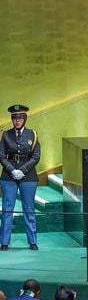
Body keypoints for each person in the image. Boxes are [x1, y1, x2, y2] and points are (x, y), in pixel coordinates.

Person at [0, 104, 41, 250]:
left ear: (25, 119)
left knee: (28, 208)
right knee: (7, 208)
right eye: (15, 118)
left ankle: (32, 241)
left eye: (20, 118)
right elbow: (1, 156)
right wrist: (12, 170)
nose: (17, 120)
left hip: (28, 175)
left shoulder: (33, 134)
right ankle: (4, 242)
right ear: (12, 119)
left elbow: (36, 157)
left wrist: (22, 170)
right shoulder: (5, 135)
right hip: (8, 175)